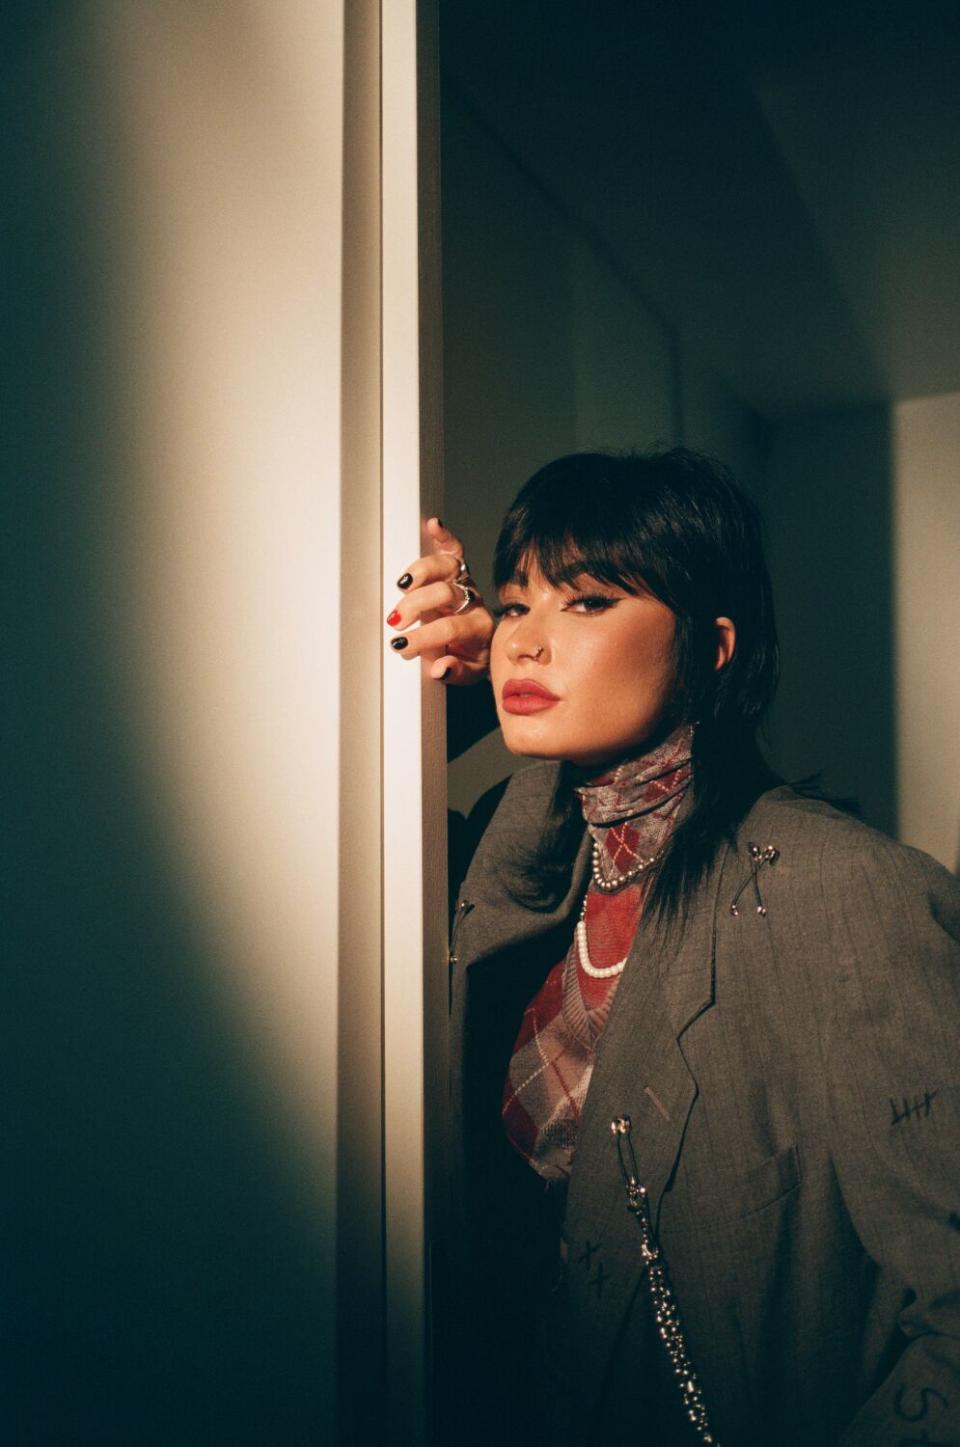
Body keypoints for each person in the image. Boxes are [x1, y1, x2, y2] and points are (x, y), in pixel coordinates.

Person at [387, 449, 960, 1446]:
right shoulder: (515, 861)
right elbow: (308, 861)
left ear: (715, 643)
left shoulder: (849, 891)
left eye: (590, 601)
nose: (528, 640)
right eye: (517, 606)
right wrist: (458, 691)